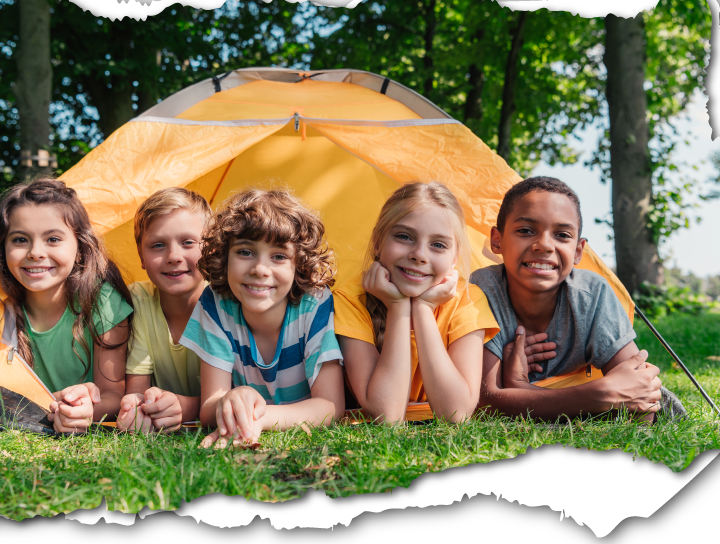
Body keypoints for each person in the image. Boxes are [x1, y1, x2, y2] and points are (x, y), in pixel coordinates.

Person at [471, 176, 685, 423]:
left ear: (578, 251)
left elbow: (641, 401)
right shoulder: (483, 289)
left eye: (562, 235)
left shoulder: (592, 295)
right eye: (525, 231)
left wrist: (519, 388)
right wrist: (602, 396)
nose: (544, 245)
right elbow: (483, 403)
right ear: (497, 240)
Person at [179, 188, 345, 448]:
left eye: (279, 256)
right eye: (245, 252)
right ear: (224, 257)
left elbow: (330, 406)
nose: (259, 270)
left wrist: (258, 418)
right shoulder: (215, 303)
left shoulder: (314, 303)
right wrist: (229, 401)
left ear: (299, 265)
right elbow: (209, 406)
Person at [334, 181, 501, 423]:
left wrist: (423, 309)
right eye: (404, 236)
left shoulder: (468, 299)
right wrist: (398, 306)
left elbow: (457, 414)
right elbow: (386, 415)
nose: (419, 255)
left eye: (438, 245)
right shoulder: (349, 299)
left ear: (454, 258)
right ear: (378, 242)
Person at [0, 178, 133, 433]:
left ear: (79, 248)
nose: (35, 252)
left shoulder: (103, 303)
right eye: (20, 240)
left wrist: (84, 411)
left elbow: (113, 396)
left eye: (53, 239)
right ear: (3, 248)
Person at [117, 188, 209, 433]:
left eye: (188, 242)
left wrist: (184, 407)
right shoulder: (137, 300)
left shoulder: (226, 302)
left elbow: (232, 393)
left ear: (210, 249)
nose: (173, 256)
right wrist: (136, 406)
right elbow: (137, 389)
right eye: (158, 245)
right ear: (141, 256)